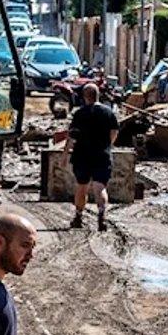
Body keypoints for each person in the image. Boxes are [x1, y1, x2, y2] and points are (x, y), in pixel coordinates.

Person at [67, 84, 119, 231]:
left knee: (81, 187)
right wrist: (107, 145)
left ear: (84, 97)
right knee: (100, 187)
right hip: (102, 155)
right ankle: (101, 216)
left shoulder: (79, 114)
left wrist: (65, 154)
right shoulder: (108, 112)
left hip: (82, 155)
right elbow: (114, 132)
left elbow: (71, 136)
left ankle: (78, 217)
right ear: (98, 95)